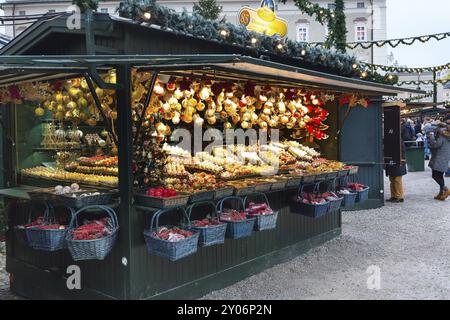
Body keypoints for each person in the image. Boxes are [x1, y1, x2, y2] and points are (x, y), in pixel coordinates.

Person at [426, 115, 450, 201]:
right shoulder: (447, 134)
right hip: (444, 157)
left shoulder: (443, 135)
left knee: (435, 175)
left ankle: (446, 189)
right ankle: (441, 193)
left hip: (439, 157)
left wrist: (431, 136)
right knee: (439, 175)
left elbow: (436, 145)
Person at [385, 138, 407, 203]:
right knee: (392, 179)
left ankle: (399, 196)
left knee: (397, 179)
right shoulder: (393, 139)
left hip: (398, 161)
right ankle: (394, 196)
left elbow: (400, 151)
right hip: (393, 161)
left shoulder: (399, 140)